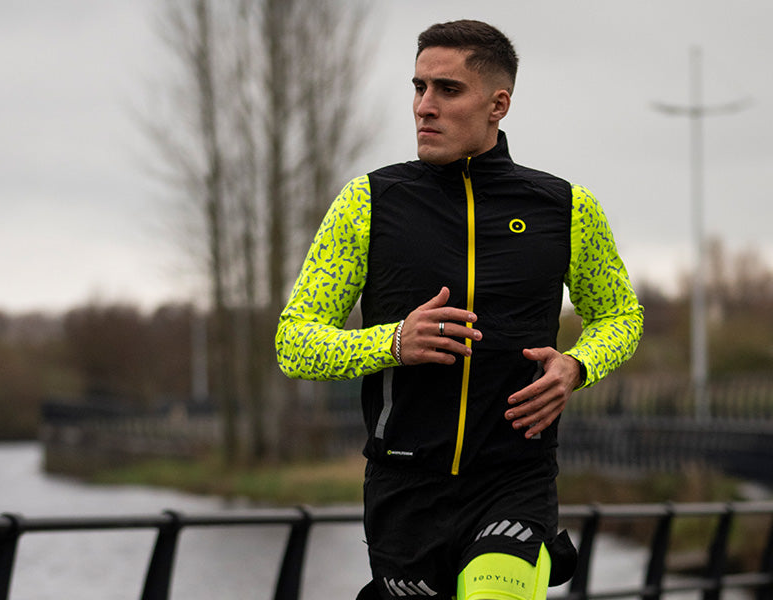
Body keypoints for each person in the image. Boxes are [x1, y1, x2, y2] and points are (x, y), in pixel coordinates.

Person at [274, 19, 643, 600]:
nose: (425, 106)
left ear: (498, 104)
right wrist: (393, 342)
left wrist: (578, 365)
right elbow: (294, 342)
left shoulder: (568, 208)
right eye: (418, 87)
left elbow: (621, 316)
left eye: (448, 90)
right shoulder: (367, 203)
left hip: (513, 477)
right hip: (405, 487)